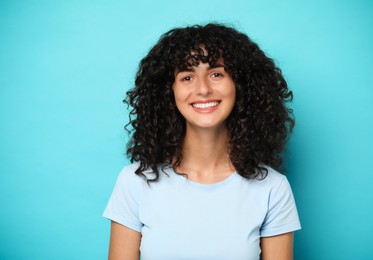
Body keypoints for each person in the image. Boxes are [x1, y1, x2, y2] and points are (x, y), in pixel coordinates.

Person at [103, 23, 301, 260]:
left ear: (240, 85)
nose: (203, 89)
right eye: (187, 77)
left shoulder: (273, 188)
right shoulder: (135, 181)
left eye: (216, 74)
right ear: (169, 92)